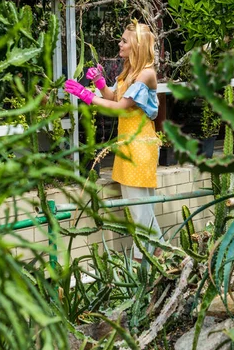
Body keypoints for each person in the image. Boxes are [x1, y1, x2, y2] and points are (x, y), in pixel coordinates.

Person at [64, 21, 162, 261]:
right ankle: (159, 250)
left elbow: (120, 107)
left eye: (124, 41)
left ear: (136, 45)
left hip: (140, 146)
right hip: (130, 145)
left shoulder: (146, 73)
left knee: (139, 209)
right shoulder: (130, 72)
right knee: (139, 206)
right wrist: (99, 84)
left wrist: (87, 96)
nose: (120, 43)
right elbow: (113, 95)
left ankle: (141, 261)